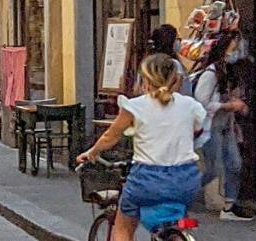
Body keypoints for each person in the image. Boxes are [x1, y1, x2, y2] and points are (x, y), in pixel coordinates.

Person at [77, 55, 205, 241]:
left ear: (146, 80)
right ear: (175, 78)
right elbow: (198, 131)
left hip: (148, 179)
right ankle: (177, 234)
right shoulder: (190, 105)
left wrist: (91, 153)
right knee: (177, 214)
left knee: (123, 226)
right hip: (185, 178)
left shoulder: (135, 106)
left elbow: (110, 136)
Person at [193, 33, 253, 222]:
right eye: (233, 49)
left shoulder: (228, 73)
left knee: (234, 164)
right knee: (213, 169)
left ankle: (230, 205)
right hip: (212, 128)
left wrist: (235, 105)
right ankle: (182, 191)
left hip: (226, 127)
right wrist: (228, 106)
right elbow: (201, 102)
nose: (236, 53)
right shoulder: (211, 74)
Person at [149, 25, 192, 95]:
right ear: (170, 41)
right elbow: (183, 89)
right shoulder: (174, 64)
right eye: (178, 39)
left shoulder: (148, 62)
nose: (180, 42)